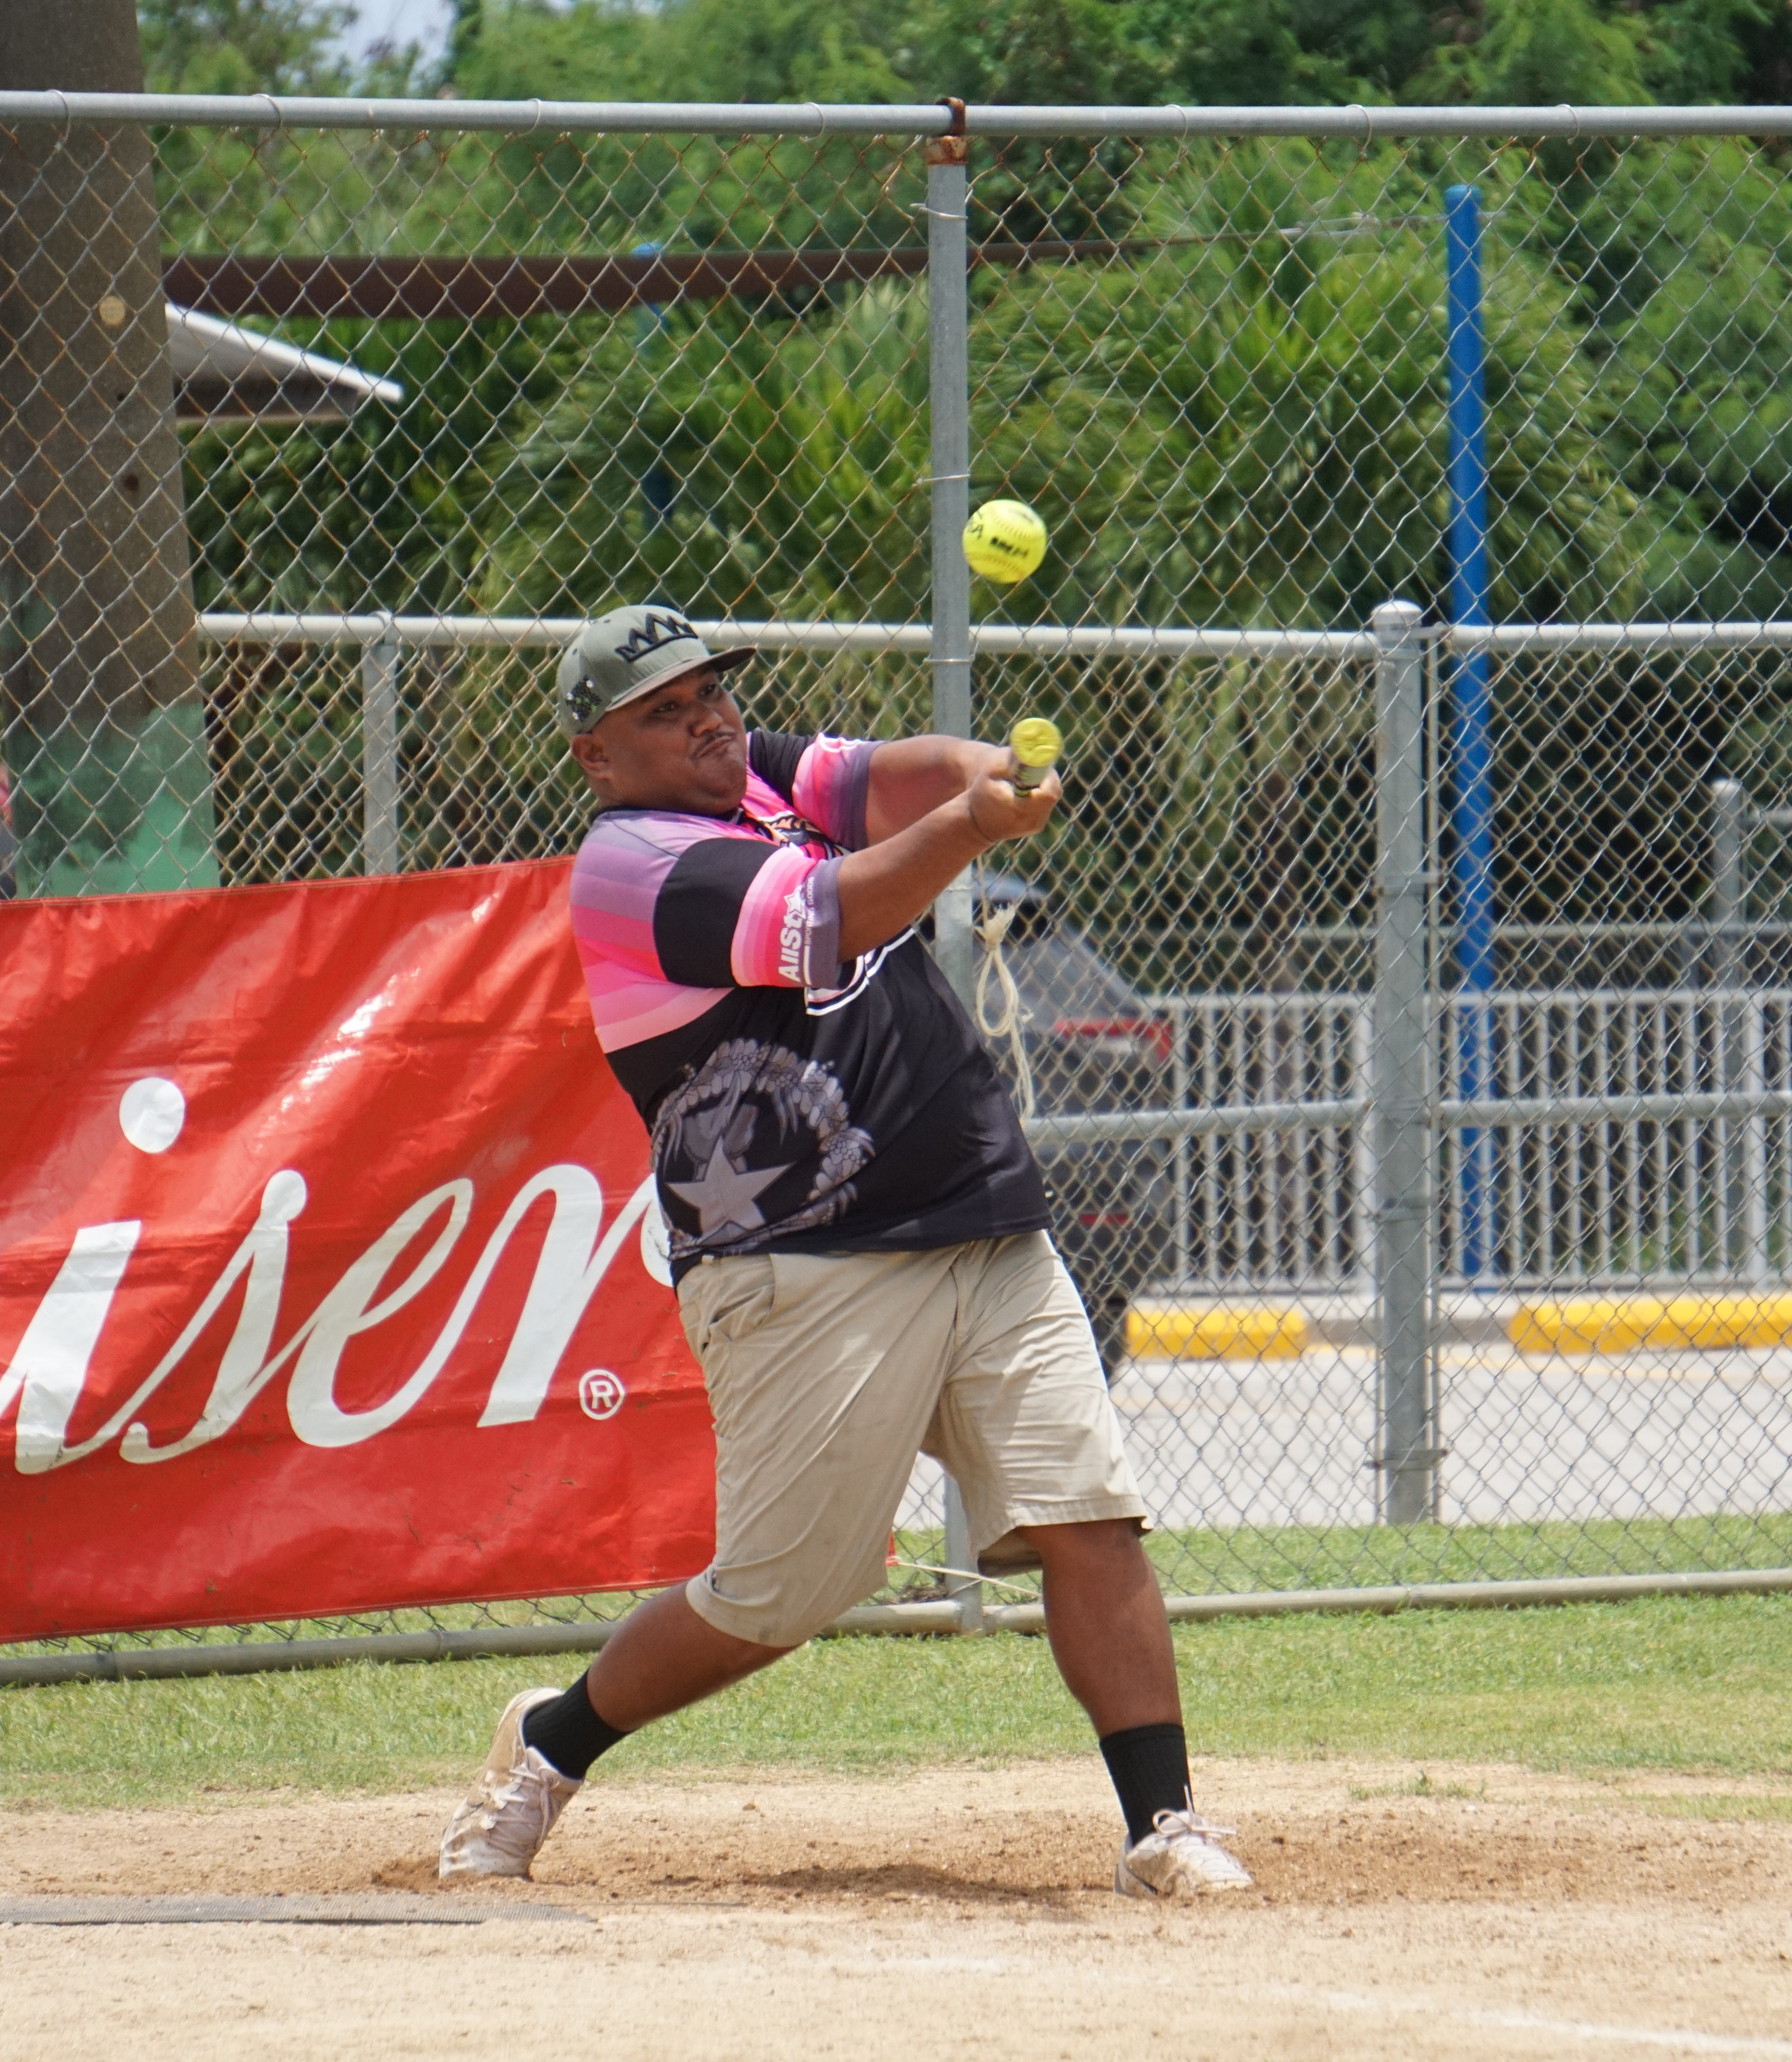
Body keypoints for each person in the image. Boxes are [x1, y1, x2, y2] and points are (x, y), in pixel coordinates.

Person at [436, 604, 1251, 1900]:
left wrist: (991, 767)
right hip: (798, 1255)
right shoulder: (636, 863)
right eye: (664, 708)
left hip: (976, 1213)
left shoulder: (753, 770)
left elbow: (888, 778)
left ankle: (1164, 1823)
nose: (706, 715)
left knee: (1090, 1518)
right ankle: (552, 1739)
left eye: (709, 689)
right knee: (776, 1598)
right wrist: (982, 826)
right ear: (598, 756)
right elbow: (840, 907)